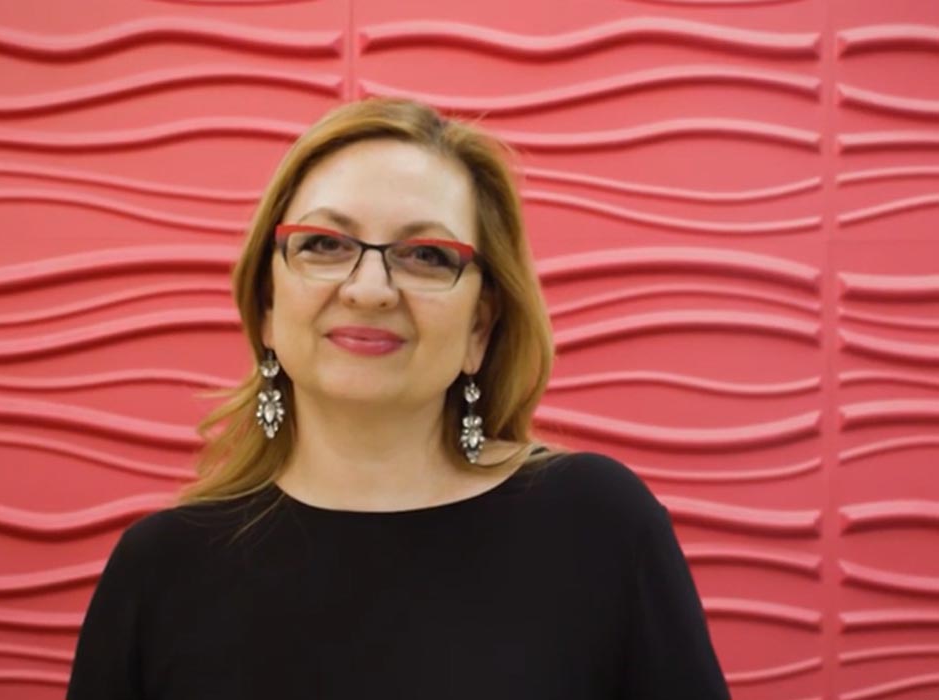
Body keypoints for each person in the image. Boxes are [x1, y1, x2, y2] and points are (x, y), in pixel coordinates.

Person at [66, 98, 730, 699]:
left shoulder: (599, 525)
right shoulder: (158, 570)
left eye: (426, 256)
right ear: (267, 306)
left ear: (480, 327)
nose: (371, 289)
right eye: (325, 245)